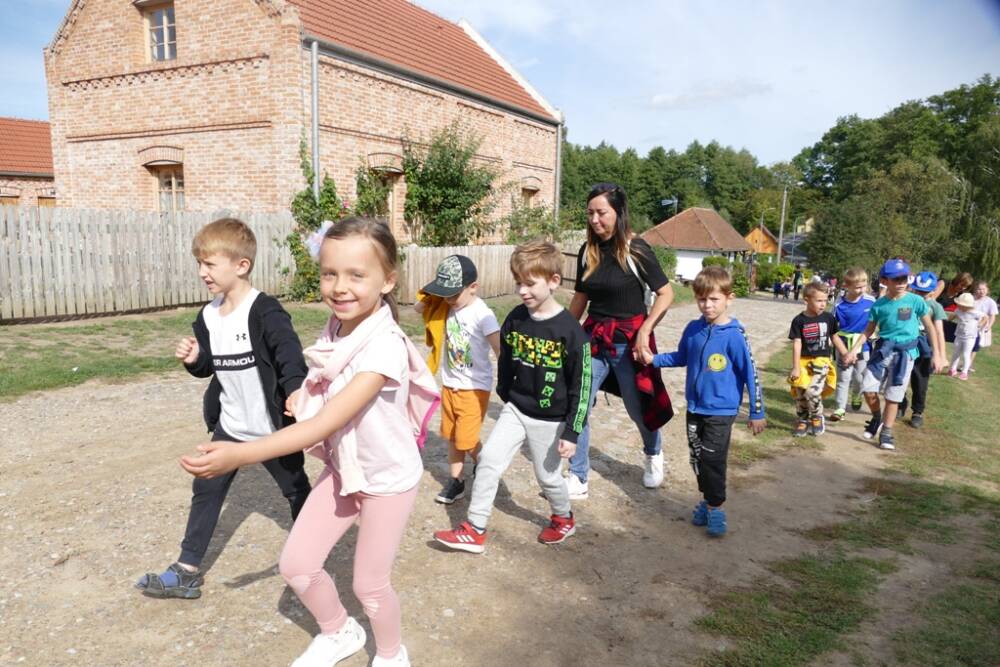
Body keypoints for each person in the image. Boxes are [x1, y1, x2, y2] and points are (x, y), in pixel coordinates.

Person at [181, 217, 440, 667]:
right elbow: (327, 379)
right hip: (345, 470)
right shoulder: (339, 327)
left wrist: (239, 454)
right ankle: (339, 631)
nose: (339, 287)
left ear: (387, 280)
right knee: (297, 566)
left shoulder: (384, 347)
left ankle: (391, 654)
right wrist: (304, 392)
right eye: (329, 273)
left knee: (369, 585)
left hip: (386, 480)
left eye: (356, 275)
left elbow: (323, 426)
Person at [135, 218, 311, 600]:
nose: (203, 272)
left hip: (271, 429)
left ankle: (312, 555)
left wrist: (296, 389)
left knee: (296, 490)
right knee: (206, 487)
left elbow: (288, 353)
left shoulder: (264, 310)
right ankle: (186, 570)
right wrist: (195, 359)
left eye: (210, 264)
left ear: (241, 265)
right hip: (231, 425)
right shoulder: (208, 316)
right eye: (200, 263)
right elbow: (209, 367)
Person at [433, 241, 591, 553]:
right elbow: (505, 361)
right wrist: (506, 392)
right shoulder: (516, 319)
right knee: (489, 461)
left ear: (554, 281)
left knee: (548, 477)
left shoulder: (571, 331)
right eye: (518, 282)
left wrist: (572, 431)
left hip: (550, 420)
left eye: (530, 283)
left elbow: (581, 385)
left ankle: (563, 518)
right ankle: (474, 528)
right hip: (516, 410)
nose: (522, 290)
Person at [566, 182, 674, 499]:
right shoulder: (587, 252)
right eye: (590, 213)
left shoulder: (636, 249)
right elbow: (581, 296)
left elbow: (666, 293)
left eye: (601, 213)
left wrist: (646, 330)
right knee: (578, 403)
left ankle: (653, 452)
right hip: (594, 338)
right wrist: (563, 331)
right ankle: (578, 475)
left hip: (629, 341)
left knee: (638, 408)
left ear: (618, 212)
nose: (594, 220)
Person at [642, 266, 766, 536]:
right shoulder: (693, 329)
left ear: (729, 299)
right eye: (702, 299)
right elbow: (681, 357)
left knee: (712, 459)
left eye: (714, 299)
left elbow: (751, 373)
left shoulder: (734, 335)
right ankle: (707, 500)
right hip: (694, 407)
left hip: (722, 410)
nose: (707, 305)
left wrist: (757, 411)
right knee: (697, 459)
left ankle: (716, 506)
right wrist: (654, 359)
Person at [416, 255, 501, 504]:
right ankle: (457, 481)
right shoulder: (447, 306)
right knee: (453, 436)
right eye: (444, 294)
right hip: (450, 384)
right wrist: (435, 295)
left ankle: (488, 465)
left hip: (474, 388)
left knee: (466, 439)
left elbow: (499, 348)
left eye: (453, 294)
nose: (448, 300)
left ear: (473, 287)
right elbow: (418, 308)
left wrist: (510, 378)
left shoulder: (483, 314)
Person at [843, 258, 942, 450]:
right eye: (896, 279)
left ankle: (886, 432)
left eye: (904, 278)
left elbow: (930, 327)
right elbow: (868, 331)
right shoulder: (879, 305)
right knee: (867, 387)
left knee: (893, 395)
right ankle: (876, 418)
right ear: (884, 281)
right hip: (883, 351)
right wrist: (853, 350)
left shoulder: (916, 301)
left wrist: (937, 354)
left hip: (905, 354)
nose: (901, 282)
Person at [788, 283, 847, 436]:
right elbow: (797, 343)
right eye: (819, 300)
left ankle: (817, 416)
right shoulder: (798, 320)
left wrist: (845, 353)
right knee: (800, 392)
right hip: (803, 362)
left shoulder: (829, 318)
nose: (823, 304)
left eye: (825, 300)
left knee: (812, 392)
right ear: (806, 300)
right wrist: (795, 367)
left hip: (821, 361)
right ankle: (802, 419)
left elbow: (835, 337)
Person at [898, 271, 948, 428]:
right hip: (906, 345)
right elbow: (902, 323)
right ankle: (900, 402)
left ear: (932, 291)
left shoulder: (935, 307)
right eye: (918, 291)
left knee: (920, 381)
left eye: (924, 292)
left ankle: (917, 412)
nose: (920, 295)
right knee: (900, 377)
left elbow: (939, 332)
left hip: (924, 349)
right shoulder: (908, 302)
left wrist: (940, 355)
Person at [830, 268, 875, 422]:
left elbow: (875, 323)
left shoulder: (871, 301)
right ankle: (840, 408)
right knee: (843, 378)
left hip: (863, 346)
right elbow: (832, 328)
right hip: (843, 345)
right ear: (847, 286)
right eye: (857, 287)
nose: (861, 290)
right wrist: (843, 351)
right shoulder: (839, 304)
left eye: (864, 286)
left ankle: (856, 394)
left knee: (860, 378)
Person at [947, 292, 986, 379]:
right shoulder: (958, 311)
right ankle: (952, 369)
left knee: (966, 354)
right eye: (959, 304)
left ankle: (964, 372)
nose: (959, 306)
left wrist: (980, 324)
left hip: (970, 337)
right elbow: (953, 315)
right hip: (959, 335)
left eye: (961, 305)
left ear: (968, 306)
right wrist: (949, 319)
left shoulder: (975, 313)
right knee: (956, 353)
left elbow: (985, 317)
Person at [937, 272, 974, 342]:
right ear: (957, 280)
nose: (963, 288)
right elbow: (930, 300)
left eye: (966, 287)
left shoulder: (960, 295)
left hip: (938, 317)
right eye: (962, 285)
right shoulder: (943, 284)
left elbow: (965, 309)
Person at [970, 280, 997, 371]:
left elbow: (992, 316)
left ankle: (968, 364)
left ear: (987, 290)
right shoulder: (971, 299)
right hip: (969, 325)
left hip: (982, 327)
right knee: (967, 344)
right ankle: (965, 363)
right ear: (975, 290)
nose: (981, 291)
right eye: (979, 289)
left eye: (983, 289)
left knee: (975, 346)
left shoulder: (990, 302)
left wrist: (989, 326)